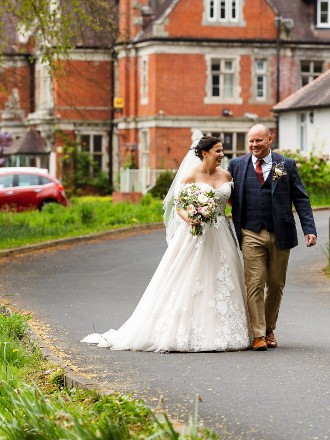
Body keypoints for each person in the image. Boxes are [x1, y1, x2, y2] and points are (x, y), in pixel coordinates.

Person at [82, 136, 251, 352]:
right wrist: (190, 217)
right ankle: (185, 331)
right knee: (190, 280)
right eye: (217, 151)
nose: (222, 155)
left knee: (223, 280)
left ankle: (225, 330)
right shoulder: (191, 176)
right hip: (195, 235)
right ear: (205, 153)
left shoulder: (226, 175)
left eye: (222, 151)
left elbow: (231, 203)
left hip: (220, 235)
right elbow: (179, 206)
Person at [228, 124, 317, 351]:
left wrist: (309, 228)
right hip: (250, 231)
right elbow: (227, 194)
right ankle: (258, 334)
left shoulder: (285, 165)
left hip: (280, 232)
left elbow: (301, 198)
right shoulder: (236, 165)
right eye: (251, 141)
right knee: (254, 282)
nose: (254, 145)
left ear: (270, 139)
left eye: (259, 140)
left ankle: (269, 328)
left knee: (276, 284)